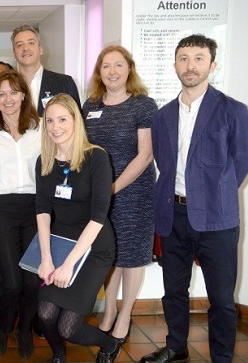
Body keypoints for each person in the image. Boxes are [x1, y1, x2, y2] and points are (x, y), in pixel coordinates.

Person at [139, 34, 248, 363]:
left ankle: (221, 360)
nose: (190, 65)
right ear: (175, 64)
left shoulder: (233, 111)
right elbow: (165, 161)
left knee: (221, 299)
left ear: (212, 64)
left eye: (198, 58)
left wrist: (213, 193)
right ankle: (176, 347)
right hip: (172, 215)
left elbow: (244, 160)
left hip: (218, 220)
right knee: (173, 291)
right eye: (184, 58)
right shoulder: (162, 117)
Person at [35, 94, 120, 363]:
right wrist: (46, 258)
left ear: (76, 120)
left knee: (69, 327)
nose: (55, 126)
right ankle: (58, 355)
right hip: (60, 242)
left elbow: (98, 218)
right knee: (46, 314)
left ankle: (109, 344)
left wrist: (69, 265)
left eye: (62, 119)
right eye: (50, 120)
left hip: (94, 247)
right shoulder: (44, 161)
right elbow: (43, 212)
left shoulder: (96, 157)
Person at [82, 45, 157, 346]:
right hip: (99, 191)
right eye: (105, 66)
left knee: (131, 255)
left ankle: (125, 314)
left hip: (134, 192)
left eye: (118, 65)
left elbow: (145, 155)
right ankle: (108, 311)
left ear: (129, 69)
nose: (112, 71)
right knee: (107, 254)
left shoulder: (143, 105)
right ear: (99, 72)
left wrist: (112, 187)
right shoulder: (90, 105)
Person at [0, 70, 41, 357]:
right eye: (1, 94)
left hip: (34, 209)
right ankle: (3, 327)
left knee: (31, 280)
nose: (8, 99)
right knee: (11, 282)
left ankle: (24, 329)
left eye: (14, 92)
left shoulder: (41, 129)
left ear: (24, 94)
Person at [12, 24, 81, 116]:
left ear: (40, 49)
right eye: (19, 45)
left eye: (31, 43)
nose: (25, 48)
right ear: (14, 53)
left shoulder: (65, 82)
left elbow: (77, 121)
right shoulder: (6, 86)